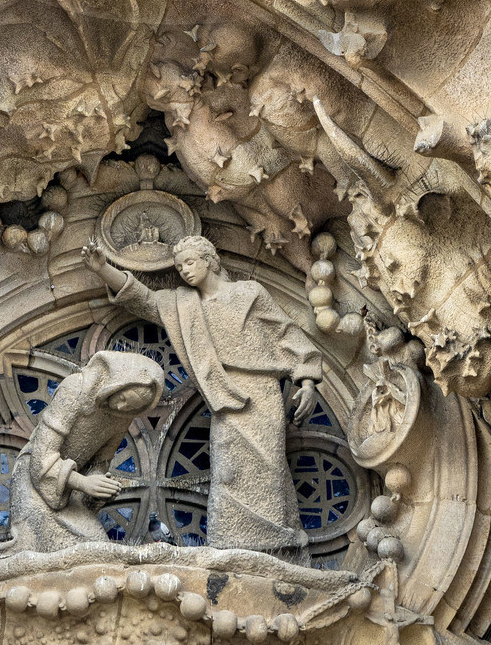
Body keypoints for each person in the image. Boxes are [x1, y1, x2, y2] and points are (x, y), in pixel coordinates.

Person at [85, 233, 322, 557]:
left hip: (259, 392)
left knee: (267, 470)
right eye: (180, 266)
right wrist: (103, 269)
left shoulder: (249, 292)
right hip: (224, 399)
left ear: (210, 260)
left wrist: (306, 379)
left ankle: (277, 546)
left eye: (190, 262)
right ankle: (232, 547)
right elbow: (146, 300)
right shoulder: (184, 304)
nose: (184, 271)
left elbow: (285, 333)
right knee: (229, 471)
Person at [5, 348, 166, 552]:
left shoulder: (122, 417)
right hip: (34, 483)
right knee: (37, 546)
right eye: (124, 399)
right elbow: (40, 460)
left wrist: (100, 486)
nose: (121, 408)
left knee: (97, 547)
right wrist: (83, 482)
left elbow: (100, 463)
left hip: (70, 492)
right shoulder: (75, 390)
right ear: (117, 383)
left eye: (131, 408)